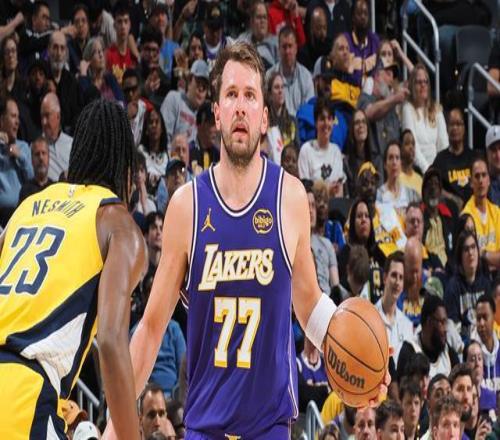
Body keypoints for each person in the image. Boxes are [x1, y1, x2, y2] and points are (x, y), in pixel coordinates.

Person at [109, 42, 387, 439]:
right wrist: (112, 427)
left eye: (250, 96)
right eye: (231, 94)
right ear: (217, 113)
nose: (241, 106)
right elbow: (151, 329)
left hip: (268, 427)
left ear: (264, 117)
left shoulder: (289, 197)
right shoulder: (187, 206)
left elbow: (309, 304)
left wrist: (362, 362)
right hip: (205, 426)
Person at [0, 99, 146, 439]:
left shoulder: (27, 207)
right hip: (21, 398)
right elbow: (110, 342)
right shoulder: (116, 222)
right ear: (126, 167)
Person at [397, 295, 460, 379]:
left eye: (446, 322)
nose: (445, 329)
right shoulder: (409, 352)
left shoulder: (449, 354)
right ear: (429, 322)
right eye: (442, 322)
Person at [402, 64, 448, 172]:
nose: (423, 85)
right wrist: (427, 170)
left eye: (425, 81)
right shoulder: (408, 109)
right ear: (412, 86)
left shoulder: (437, 110)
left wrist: (441, 170)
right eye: (419, 82)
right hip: (417, 169)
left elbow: (443, 144)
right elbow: (413, 147)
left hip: (437, 170)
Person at [298, 98, 345, 197]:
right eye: (322, 119)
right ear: (315, 123)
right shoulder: (306, 150)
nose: (326, 123)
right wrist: (327, 188)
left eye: (329, 119)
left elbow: (339, 190)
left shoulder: (336, 151)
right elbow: (304, 187)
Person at [375, 251, 414, 364]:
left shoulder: (407, 326)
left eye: (401, 278)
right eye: (394, 275)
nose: (397, 282)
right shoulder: (370, 317)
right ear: (384, 278)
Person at [266, 26, 314, 116]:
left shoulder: (306, 77)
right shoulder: (269, 76)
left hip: (300, 123)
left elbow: (309, 111)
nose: (287, 51)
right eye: (284, 47)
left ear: (296, 48)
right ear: (279, 49)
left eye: (290, 46)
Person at [432, 107, 475, 208]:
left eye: (458, 124)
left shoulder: (474, 157)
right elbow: (433, 187)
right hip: (450, 211)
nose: (455, 128)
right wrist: (452, 198)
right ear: (447, 129)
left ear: (464, 128)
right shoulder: (440, 159)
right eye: (452, 124)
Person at [0, 97, 34, 226]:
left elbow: (32, 177)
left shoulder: (23, 147)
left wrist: (20, 156)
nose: (17, 122)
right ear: (2, 120)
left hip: (20, 214)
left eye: (18, 117)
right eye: (13, 116)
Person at [462, 157, 500, 270]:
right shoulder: (466, 216)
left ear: (489, 180)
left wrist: (483, 254)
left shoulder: (497, 212)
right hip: (477, 277)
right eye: (477, 176)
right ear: (471, 182)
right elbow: (471, 261)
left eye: (484, 175)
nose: (481, 180)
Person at [376, 141, 419, 217]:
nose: (394, 162)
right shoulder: (379, 195)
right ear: (385, 165)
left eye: (397, 158)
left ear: (401, 164)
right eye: (390, 158)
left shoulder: (411, 194)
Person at [40, 92, 73, 181]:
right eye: (42, 117)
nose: (44, 122)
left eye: (47, 115)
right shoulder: (37, 148)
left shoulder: (72, 145)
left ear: (58, 116)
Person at [473, 295, 500, 393]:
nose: (481, 323)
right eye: (478, 318)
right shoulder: (470, 353)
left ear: (494, 317)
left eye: (485, 317)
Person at [19, 136, 53, 203]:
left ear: (48, 158)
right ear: (32, 160)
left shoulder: (55, 189)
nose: (41, 158)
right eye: (37, 154)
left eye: (43, 153)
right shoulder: (25, 191)